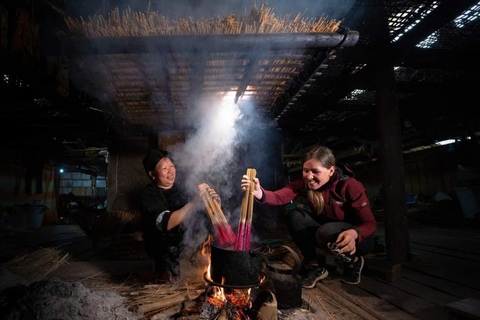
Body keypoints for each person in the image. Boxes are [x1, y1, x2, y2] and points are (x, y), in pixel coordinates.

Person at [241, 145, 376, 287]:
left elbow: (370, 224)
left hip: (357, 238)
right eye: (306, 171)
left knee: (326, 231)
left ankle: (354, 261)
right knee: (295, 217)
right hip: (324, 232)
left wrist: (355, 233)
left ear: (331, 170)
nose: (309, 177)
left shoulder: (350, 185)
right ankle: (315, 265)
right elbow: (280, 196)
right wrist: (259, 193)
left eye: (315, 172)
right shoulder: (305, 183)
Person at [141, 149, 219, 282]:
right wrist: (194, 202)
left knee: (205, 273)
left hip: (187, 244)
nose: (170, 171)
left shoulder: (181, 187)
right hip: (164, 248)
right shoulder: (149, 194)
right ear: (152, 174)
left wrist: (214, 203)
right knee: (171, 280)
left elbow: (202, 215)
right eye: (164, 168)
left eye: (171, 166)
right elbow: (165, 223)